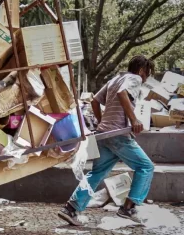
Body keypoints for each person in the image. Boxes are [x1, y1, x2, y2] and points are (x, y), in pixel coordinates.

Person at [58, 55, 155, 225]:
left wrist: (102, 122)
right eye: (147, 74)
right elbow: (122, 93)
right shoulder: (134, 78)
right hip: (118, 135)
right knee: (146, 167)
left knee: (97, 172)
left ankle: (71, 209)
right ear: (141, 70)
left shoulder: (116, 79)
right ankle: (128, 208)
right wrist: (134, 120)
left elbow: (95, 100)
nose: (145, 78)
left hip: (104, 134)